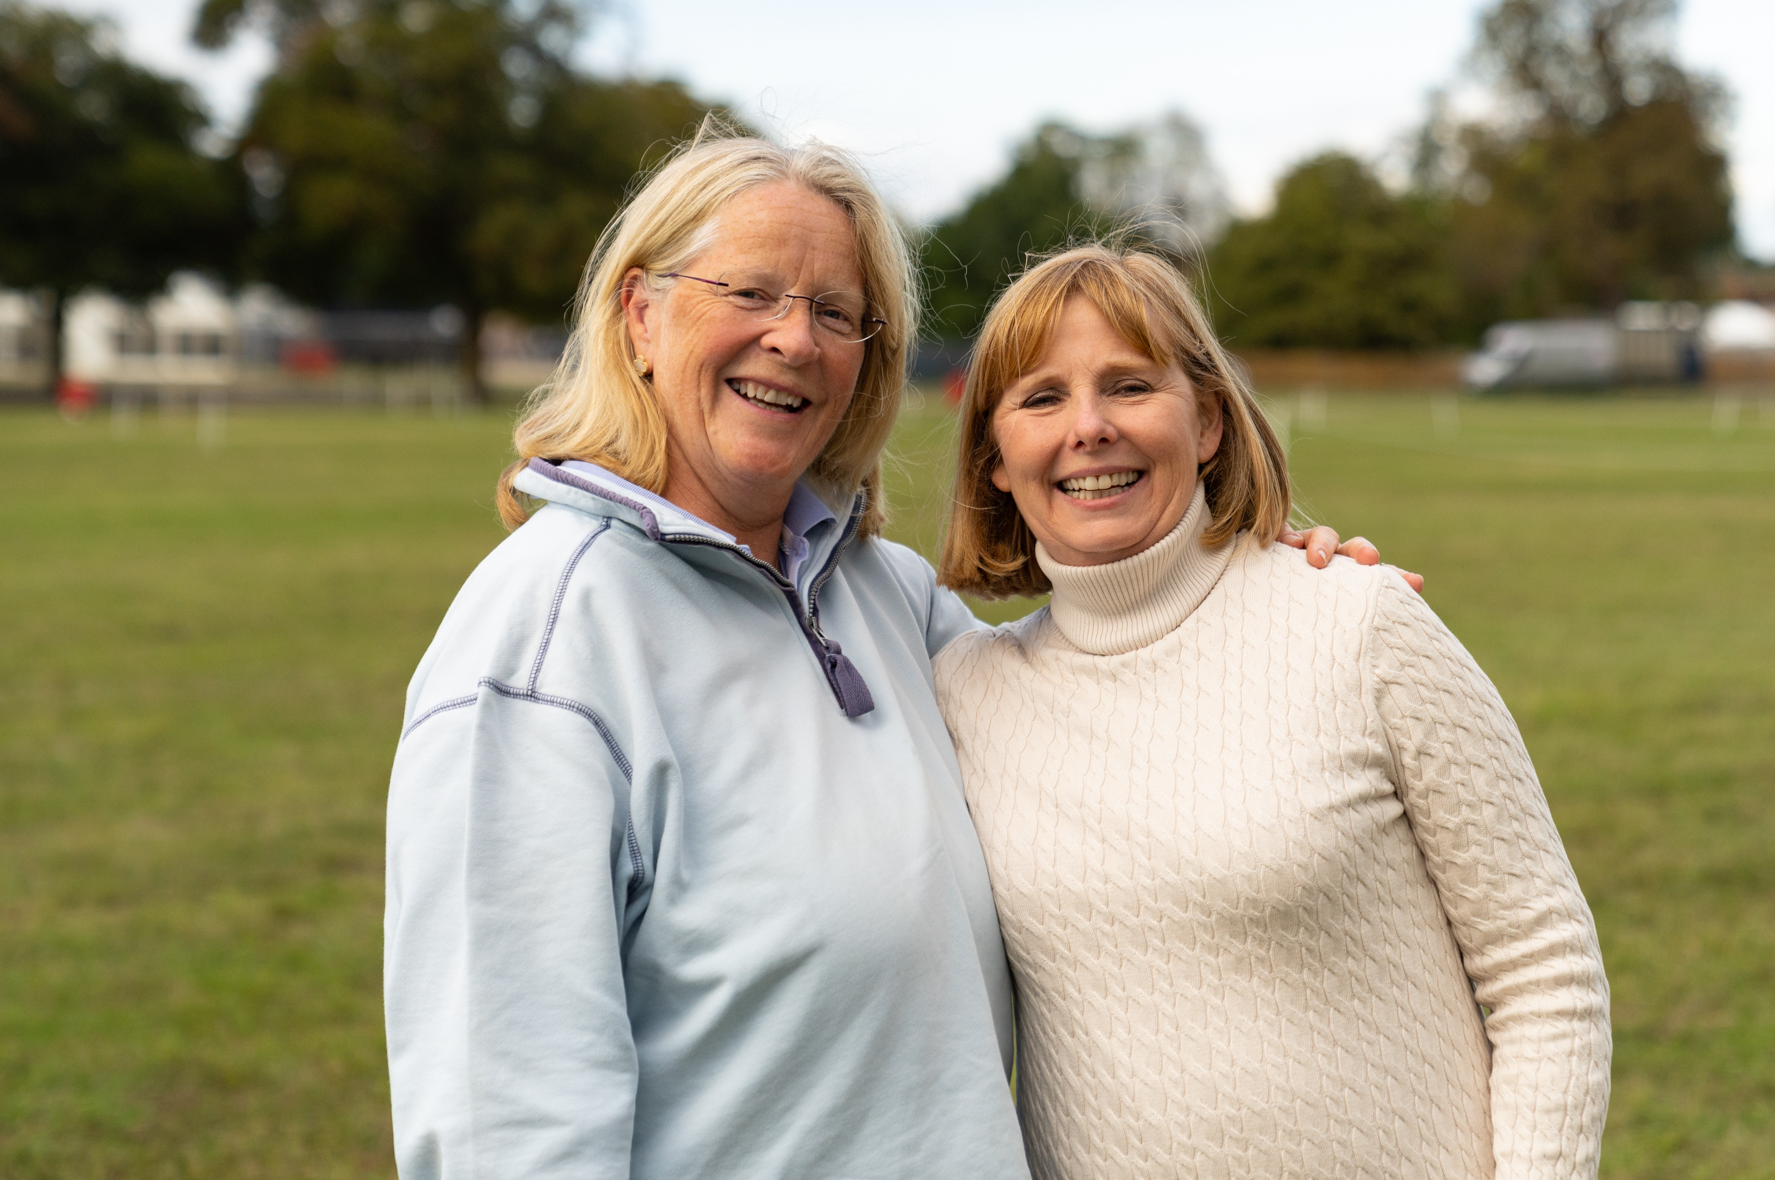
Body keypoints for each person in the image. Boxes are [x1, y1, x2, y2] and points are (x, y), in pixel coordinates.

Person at [384, 129, 1384, 1179]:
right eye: (751, 293)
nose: (795, 341)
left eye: (835, 313)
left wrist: (1271, 600)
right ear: (640, 315)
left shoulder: (890, 597)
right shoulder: (540, 652)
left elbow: (1115, 725)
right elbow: (509, 1129)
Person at [933, 244, 1611, 1180]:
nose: (1088, 428)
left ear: (1208, 419)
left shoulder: (1359, 618)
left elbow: (1546, 968)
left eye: (1129, 385)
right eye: (1042, 398)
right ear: (995, 460)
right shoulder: (963, 691)